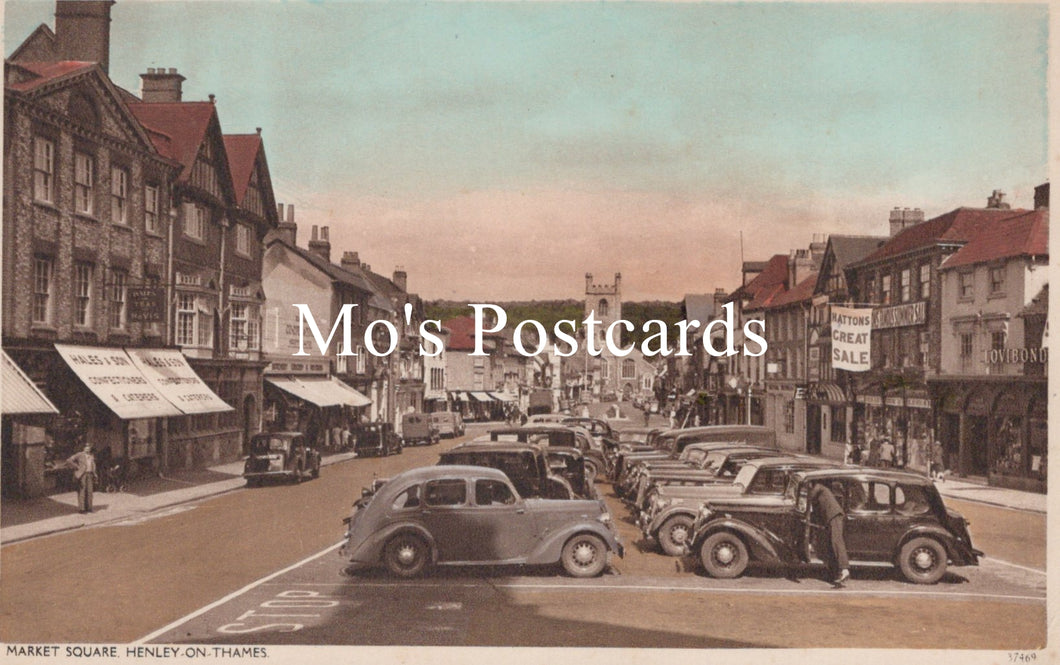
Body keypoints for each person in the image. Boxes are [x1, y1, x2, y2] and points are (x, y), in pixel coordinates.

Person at [809, 481, 850, 587]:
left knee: (836, 542)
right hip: (831, 517)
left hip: (833, 516)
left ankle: (844, 570)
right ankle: (835, 573)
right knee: (831, 544)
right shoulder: (822, 490)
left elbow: (811, 496)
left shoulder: (819, 487)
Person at [66, 441, 97, 514]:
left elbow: (93, 464)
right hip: (82, 475)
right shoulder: (79, 454)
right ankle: (81, 509)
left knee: (90, 491)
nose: (87, 449)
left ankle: (89, 508)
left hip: (90, 474)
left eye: (89, 448)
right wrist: (77, 466)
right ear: (83, 448)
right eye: (86, 447)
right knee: (82, 491)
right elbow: (69, 460)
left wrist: (95, 473)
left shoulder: (91, 456)